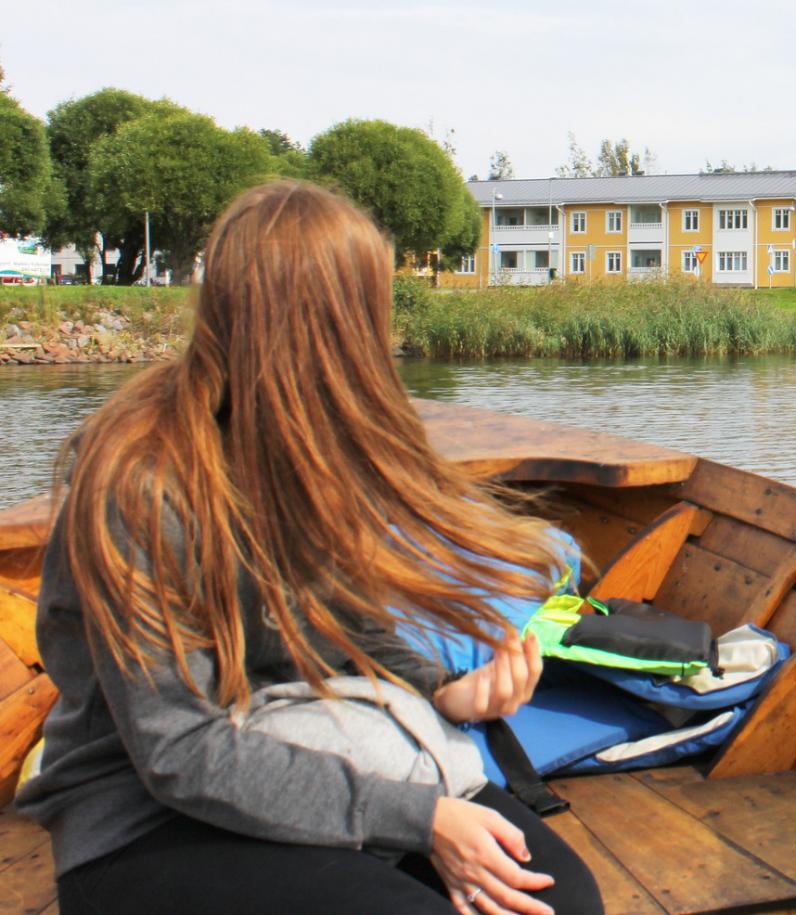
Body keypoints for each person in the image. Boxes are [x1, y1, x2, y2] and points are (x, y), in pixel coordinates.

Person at [16, 180, 605, 915]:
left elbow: (342, 621)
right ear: (329, 325)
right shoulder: (139, 485)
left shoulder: (306, 447)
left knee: (566, 902)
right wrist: (419, 820)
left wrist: (441, 690)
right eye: (370, 315)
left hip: (311, 737)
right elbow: (177, 751)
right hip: (144, 815)